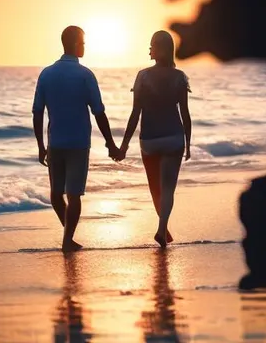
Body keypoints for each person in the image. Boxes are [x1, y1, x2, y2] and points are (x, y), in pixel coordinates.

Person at [32, 25, 119, 252]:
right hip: (79, 144)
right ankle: (67, 239)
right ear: (74, 44)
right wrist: (110, 143)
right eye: (82, 42)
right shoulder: (85, 75)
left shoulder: (46, 74)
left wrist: (41, 146)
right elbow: (98, 111)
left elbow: (37, 112)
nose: (84, 46)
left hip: (56, 143)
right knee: (73, 195)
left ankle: (67, 234)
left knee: (56, 194)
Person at [119, 30, 191, 247]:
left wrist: (123, 146)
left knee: (155, 189)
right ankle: (162, 229)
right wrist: (188, 144)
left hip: (149, 140)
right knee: (168, 189)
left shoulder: (142, 76)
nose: (149, 49)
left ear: (159, 49)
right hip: (173, 138)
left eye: (151, 45)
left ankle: (163, 229)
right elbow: (185, 114)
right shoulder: (180, 77)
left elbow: (135, 114)